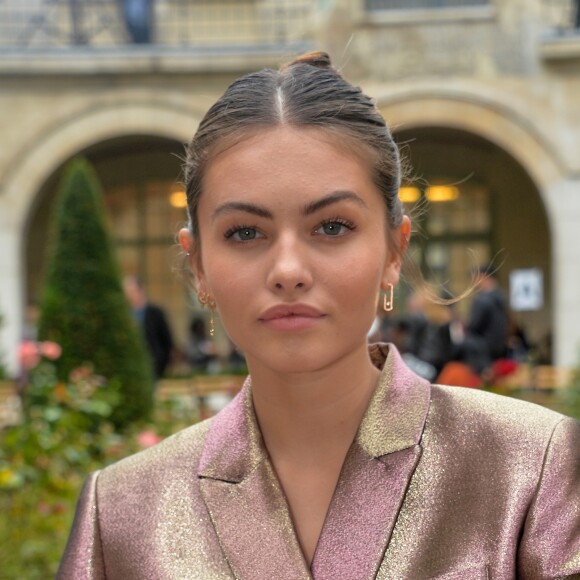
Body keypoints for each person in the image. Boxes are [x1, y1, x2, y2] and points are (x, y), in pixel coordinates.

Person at [58, 52, 579, 578]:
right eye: (245, 232)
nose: (288, 270)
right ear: (198, 267)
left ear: (394, 251)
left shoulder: (532, 466)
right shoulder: (122, 511)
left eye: (331, 227)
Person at [123, 275, 174, 379]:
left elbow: (167, 341)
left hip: (154, 366)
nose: (128, 295)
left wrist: (161, 363)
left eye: (131, 291)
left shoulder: (155, 312)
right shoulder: (125, 314)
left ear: (140, 291)